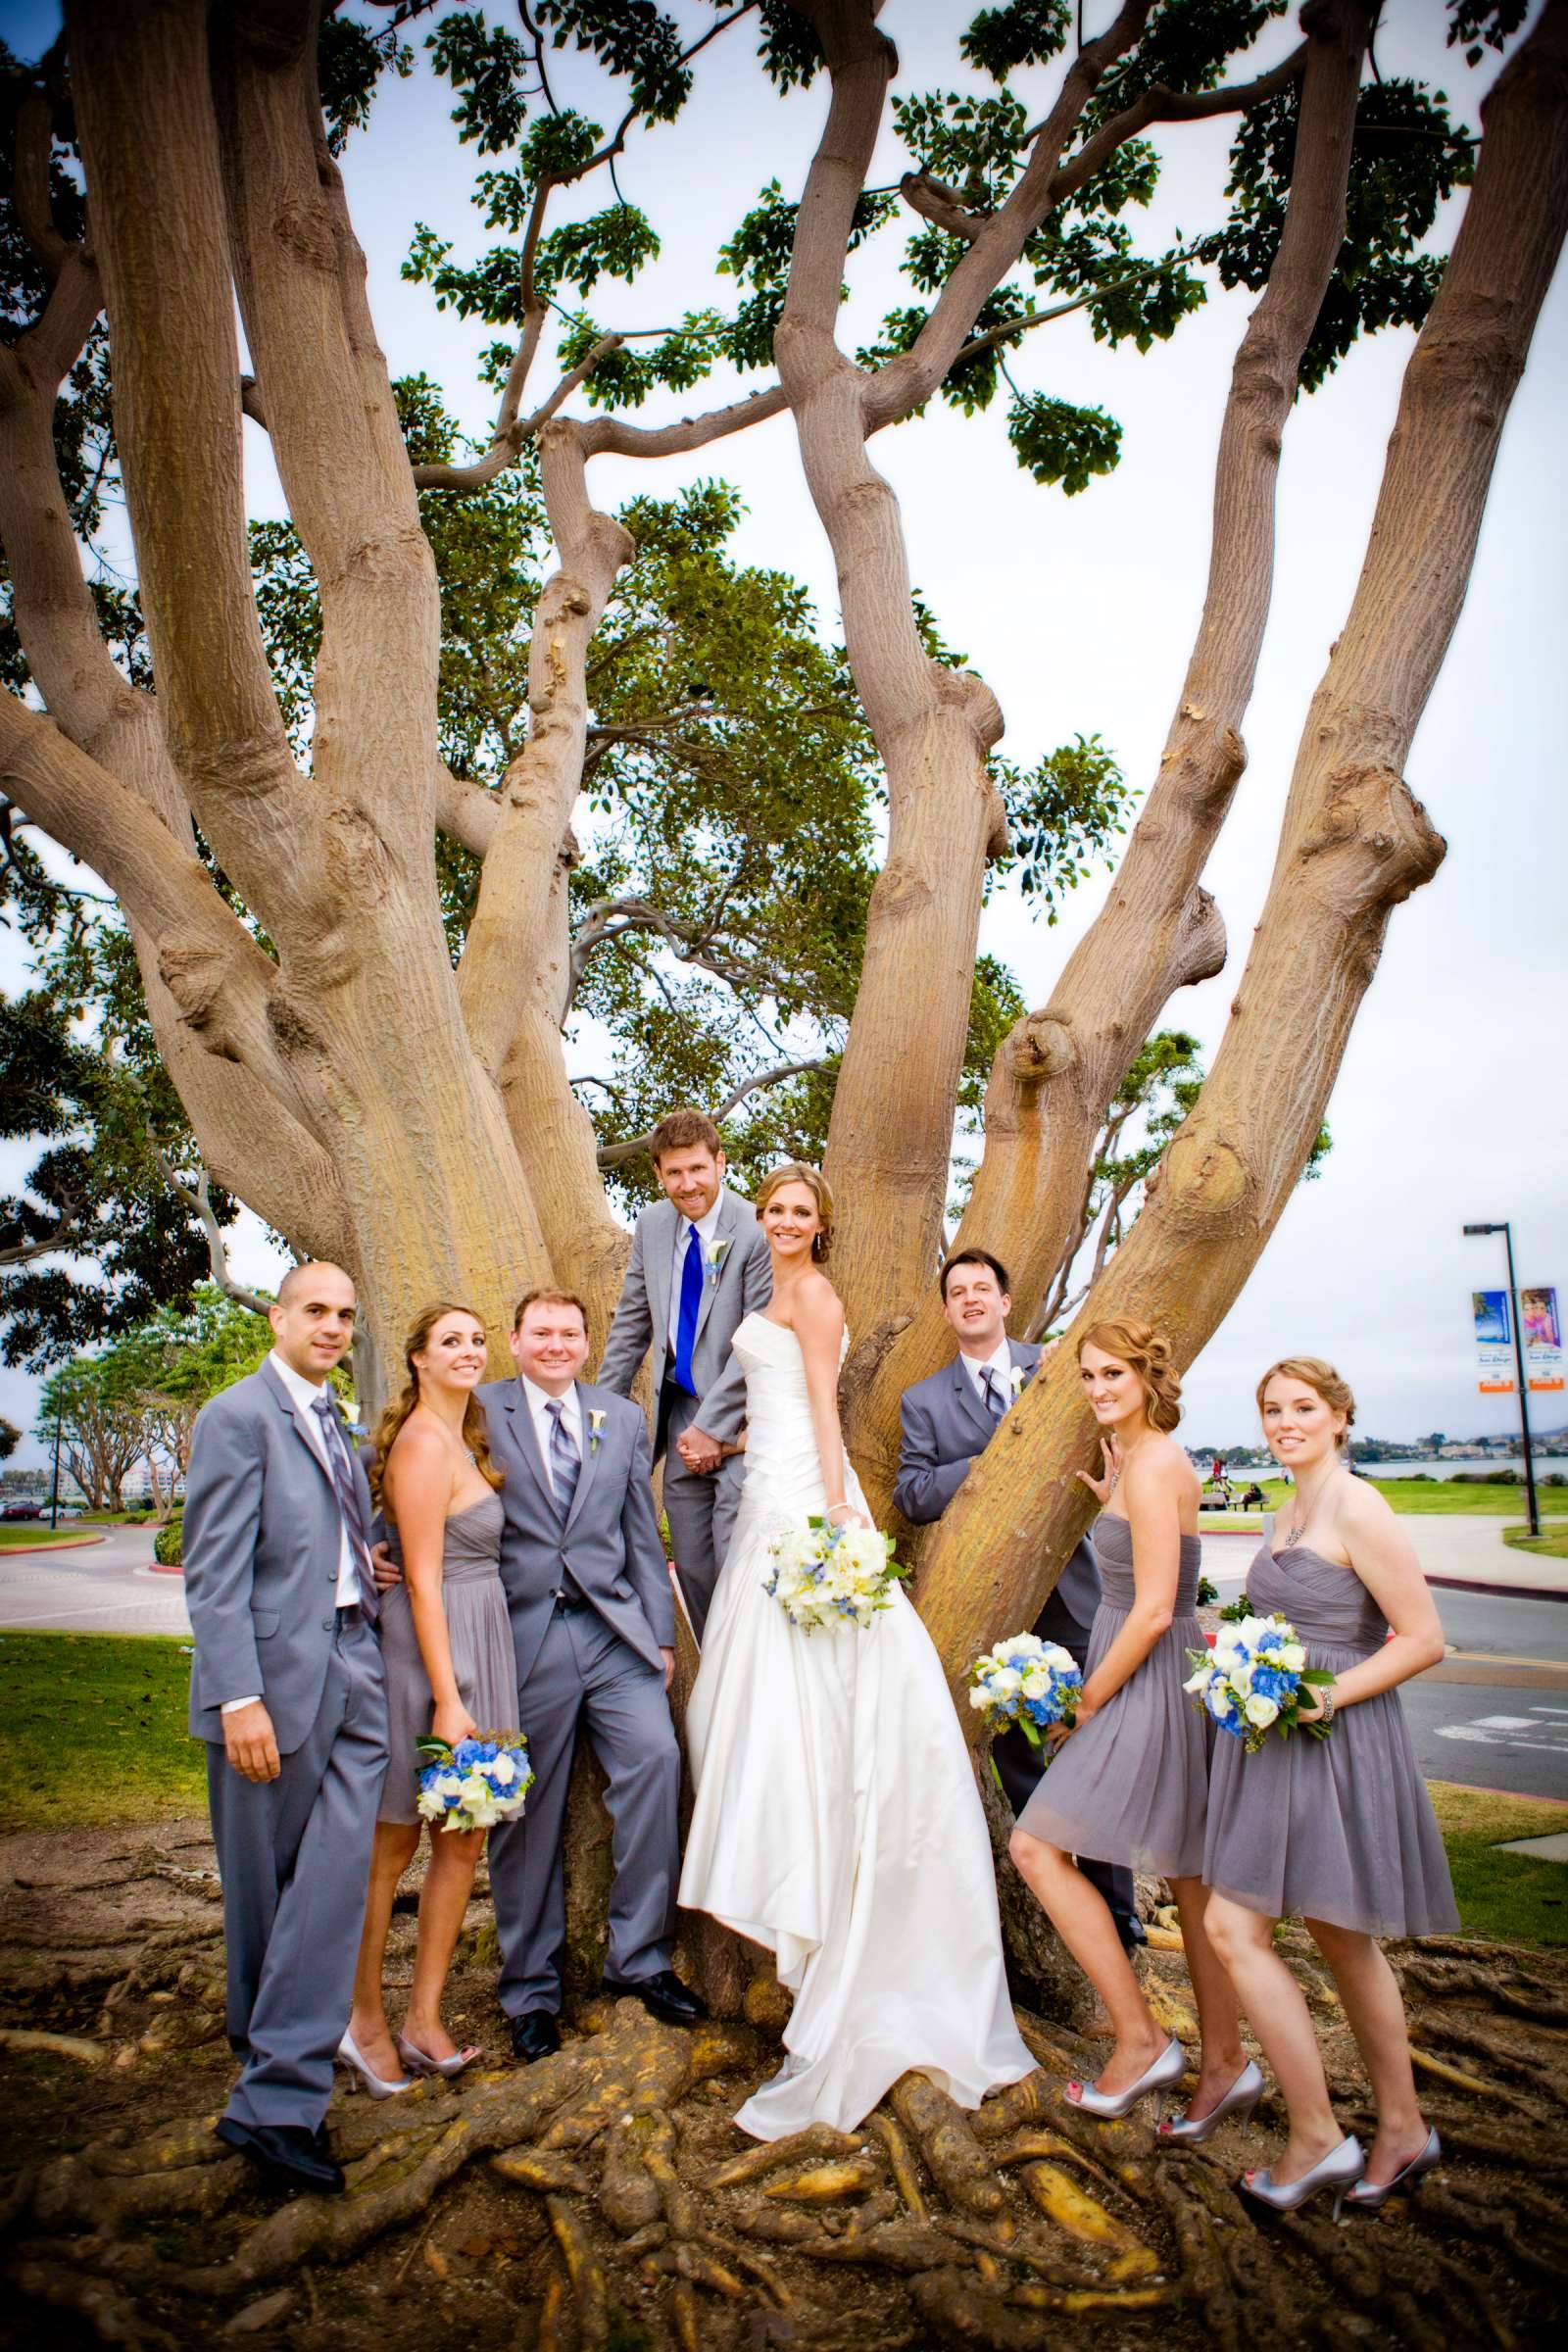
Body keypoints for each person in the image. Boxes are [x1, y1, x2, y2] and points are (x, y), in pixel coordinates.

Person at [680, 1163, 1034, 2139]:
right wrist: (737, 1453)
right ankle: (790, 1883)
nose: (787, 1222)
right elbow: (776, 1404)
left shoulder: (817, 1294)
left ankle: (818, 1892)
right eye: (777, 1209)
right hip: (761, 1490)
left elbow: (824, 1409)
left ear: (820, 1227)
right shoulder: (765, 1289)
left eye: (802, 1211)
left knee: (802, 1693)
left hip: (800, 1497)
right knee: (732, 1705)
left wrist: (838, 1510)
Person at [1201, 1357, 1455, 2218]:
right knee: (1328, 1935)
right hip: (1281, 1742)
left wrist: (1322, 1694)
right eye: (1272, 1409)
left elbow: (1422, 1639)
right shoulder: (1288, 1508)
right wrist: (1237, 1656)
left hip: (1338, 1735)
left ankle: (1340, 2135)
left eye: (1303, 1407)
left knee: (1262, 1930)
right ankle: (1391, 2128)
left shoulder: (1358, 1505)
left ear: (1340, 1416)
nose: (1285, 1422)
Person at [1008, 1321, 1249, 2132]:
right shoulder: (1145, 1465)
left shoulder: (1155, 1466)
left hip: (1143, 1678)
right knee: (1187, 1875)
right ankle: (1224, 2064)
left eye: (1114, 1373)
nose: (1100, 1387)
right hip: (1154, 1670)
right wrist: (1113, 1506)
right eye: (1088, 1375)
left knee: (1035, 1847)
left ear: (1148, 1378)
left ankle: (1141, 2039)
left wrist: (1085, 1702)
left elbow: (1151, 1611)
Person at [182, 1262, 388, 2196]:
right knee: (266, 1895)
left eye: (346, 1315)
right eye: (317, 1311)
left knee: (335, 1886)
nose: (333, 1327)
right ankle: (269, 2090)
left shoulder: (337, 1418)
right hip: (271, 1686)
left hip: (357, 1668)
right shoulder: (237, 1416)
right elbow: (213, 1572)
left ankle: (279, 2088)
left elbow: (321, 1539)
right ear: (278, 1317)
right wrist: (236, 1697)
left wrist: (363, 1565)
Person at [893, 1249, 1143, 1953]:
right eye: (957, 1292)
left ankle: (1119, 1914)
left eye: (983, 1288)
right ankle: (1063, 1910)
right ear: (947, 1311)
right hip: (993, 1607)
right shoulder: (924, 1402)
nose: (970, 1299)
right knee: (1024, 1762)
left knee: (1097, 1753)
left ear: (1007, 1301)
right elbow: (911, 1497)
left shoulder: (1062, 1365)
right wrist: (988, 1462)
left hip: (1077, 1591)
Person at [480, 1290, 701, 2060]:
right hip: (524, 1637)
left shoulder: (622, 1416)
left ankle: (638, 1959)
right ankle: (529, 1991)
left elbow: (642, 1533)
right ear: (514, 1341)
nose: (554, 1344)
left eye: (568, 1333)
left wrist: (659, 1635)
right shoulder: (479, 1410)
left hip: (612, 1635)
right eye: (539, 1332)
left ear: (585, 1341)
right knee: (523, 1810)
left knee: (657, 1761)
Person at [341, 1303, 514, 2095]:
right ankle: (361, 2020)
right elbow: (420, 1578)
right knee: (393, 1845)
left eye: (477, 1340)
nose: (469, 1352)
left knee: (463, 1841)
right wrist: (448, 1698)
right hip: (429, 1658)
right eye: (451, 1342)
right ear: (416, 1359)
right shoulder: (418, 1443)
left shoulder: (467, 1437)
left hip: (485, 1640)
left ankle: (425, 2018)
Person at [597, 1109, 771, 1639]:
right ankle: (716, 1677)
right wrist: (598, 1412)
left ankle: (749, 1690)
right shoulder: (651, 1226)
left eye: (698, 1169)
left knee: (734, 1561)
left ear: (720, 1162)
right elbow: (631, 1323)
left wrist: (714, 1428)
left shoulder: (757, 1229)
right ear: (658, 1174)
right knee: (692, 1566)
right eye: (674, 1173)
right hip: (677, 1419)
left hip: (740, 1425)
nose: (688, 1184)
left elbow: (756, 1343)